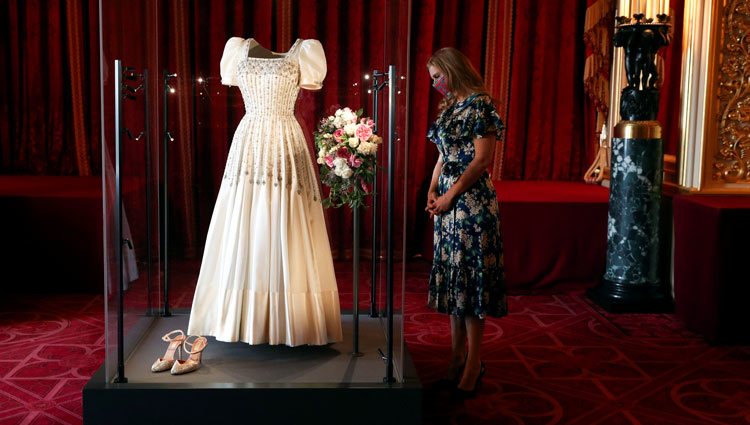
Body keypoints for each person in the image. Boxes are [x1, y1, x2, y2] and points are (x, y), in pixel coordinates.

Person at [425, 47, 508, 398]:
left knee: (471, 283)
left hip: (472, 204)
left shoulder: (480, 104)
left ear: (451, 71)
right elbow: (443, 156)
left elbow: (482, 159)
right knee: (454, 280)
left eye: (436, 77)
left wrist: (450, 195)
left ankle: (474, 363)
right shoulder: (450, 109)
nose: (434, 85)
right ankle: (457, 357)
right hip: (446, 206)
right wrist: (431, 190)